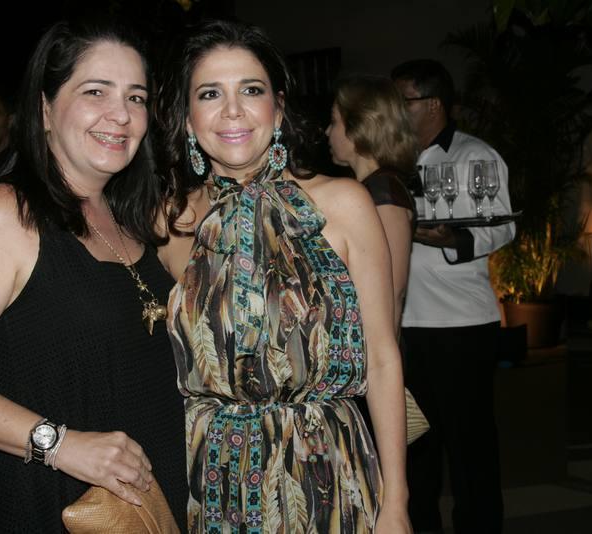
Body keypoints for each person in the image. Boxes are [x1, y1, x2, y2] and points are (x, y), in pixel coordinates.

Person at [0, 20, 188, 532]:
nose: (121, 114)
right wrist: (60, 445)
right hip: (47, 504)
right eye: (95, 91)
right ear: (45, 109)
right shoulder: (4, 216)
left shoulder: (132, 222)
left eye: (136, 97)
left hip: (147, 510)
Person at [157, 20, 410, 533]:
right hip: (217, 483)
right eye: (210, 93)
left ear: (278, 108)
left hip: (327, 475)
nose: (232, 110)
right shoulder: (171, 222)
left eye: (251, 90)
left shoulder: (343, 204)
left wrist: (397, 502)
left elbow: (383, 358)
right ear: (186, 118)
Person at [391, 59, 514, 534]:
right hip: (406, 326)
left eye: (403, 101)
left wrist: (448, 238)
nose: (395, 110)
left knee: (470, 447)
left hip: (462, 325)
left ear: (433, 104)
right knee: (416, 444)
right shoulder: (393, 159)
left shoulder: (474, 155)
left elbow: (502, 226)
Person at [326, 75, 418, 327]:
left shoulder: (383, 192)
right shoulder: (369, 188)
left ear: (359, 127)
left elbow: (391, 293)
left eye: (334, 122)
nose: (327, 131)